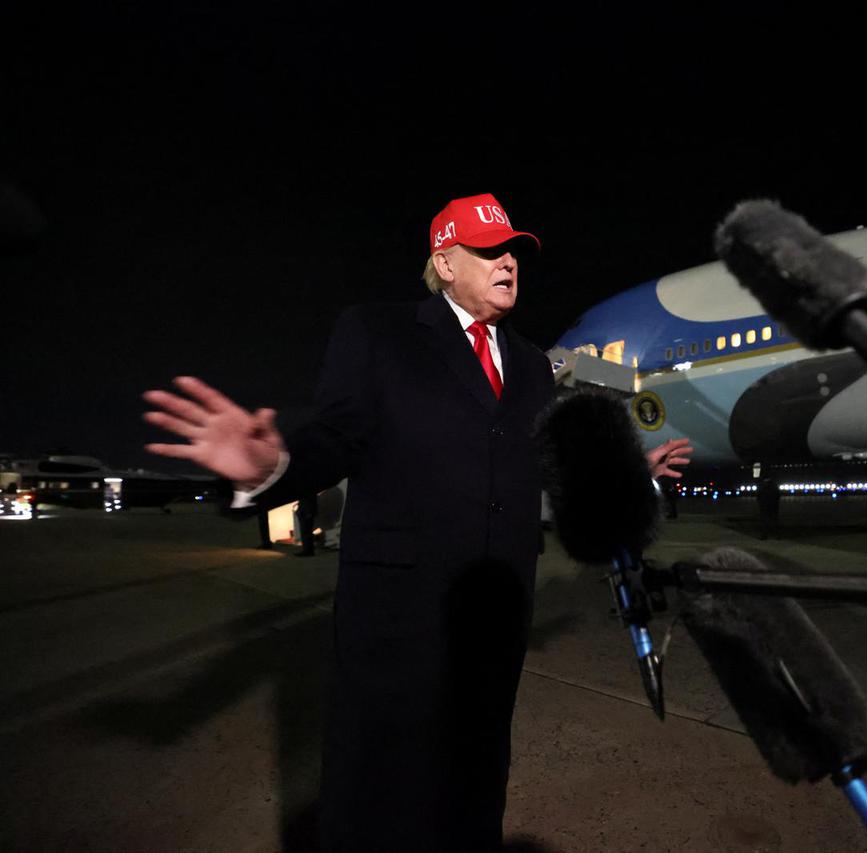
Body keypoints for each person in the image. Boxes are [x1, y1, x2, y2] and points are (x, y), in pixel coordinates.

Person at [143, 193, 692, 851]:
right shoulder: (377, 332)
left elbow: (547, 478)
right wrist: (269, 466)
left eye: (514, 249)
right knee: (380, 788)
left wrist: (634, 478)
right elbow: (336, 436)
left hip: (494, 613)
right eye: (489, 249)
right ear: (445, 262)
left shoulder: (533, 366)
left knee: (477, 778)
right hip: (397, 616)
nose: (509, 261)